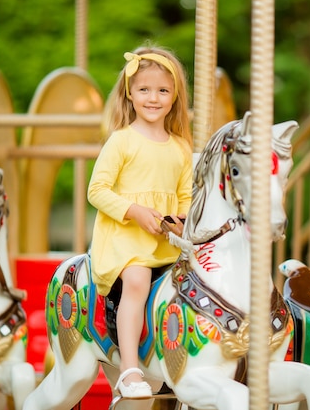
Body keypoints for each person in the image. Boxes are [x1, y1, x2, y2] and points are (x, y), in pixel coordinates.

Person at [87, 44, 193, 398]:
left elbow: (185, 197)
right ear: (130, 93)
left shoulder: (180, 147)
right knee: (137, 279)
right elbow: (97, 190)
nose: (153, 98)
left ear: (174, 96)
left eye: (163, 90)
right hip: (125, 243)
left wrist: (180, 220)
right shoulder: (121, 141)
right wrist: (134, 211)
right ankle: (130, 368)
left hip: (165, 243)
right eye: (145, 89)